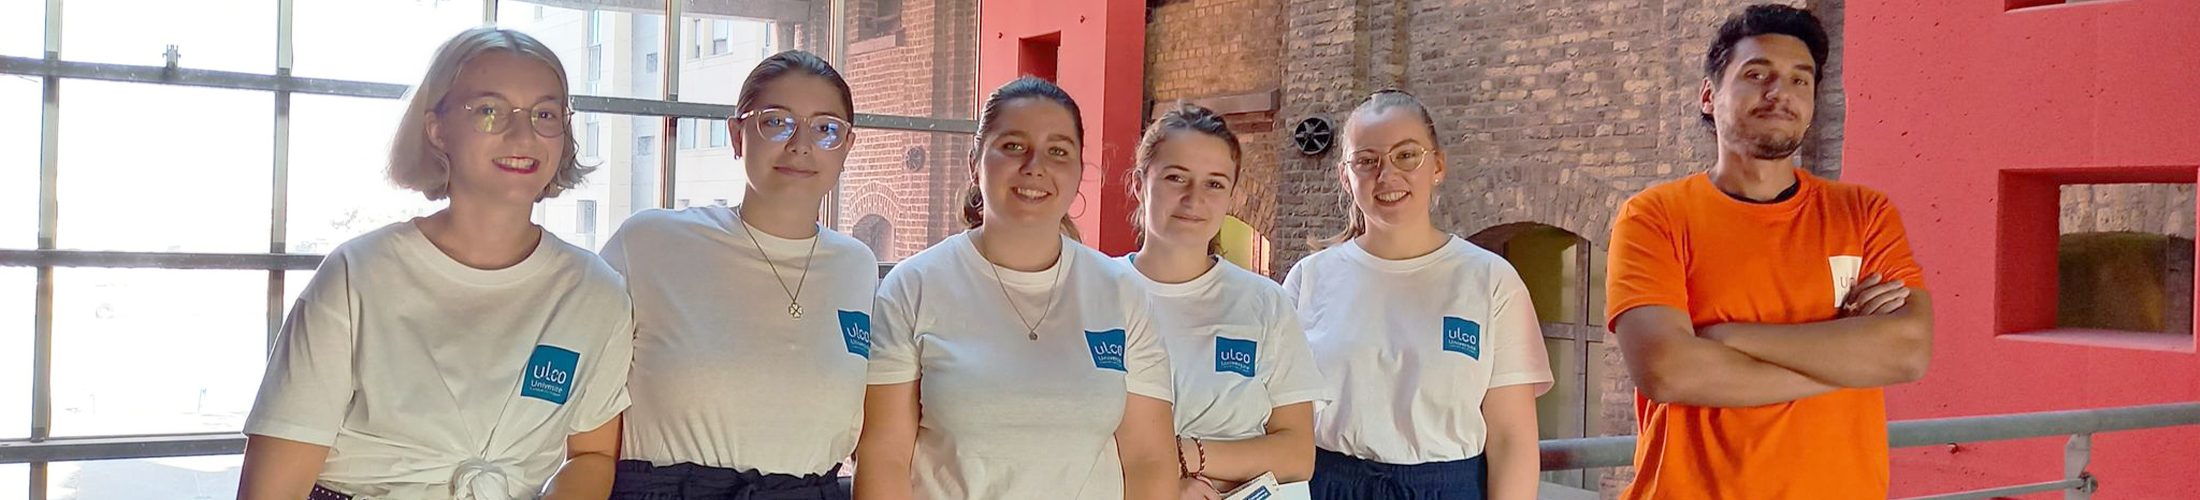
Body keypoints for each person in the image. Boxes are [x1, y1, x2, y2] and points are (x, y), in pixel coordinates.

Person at [238, 27, 632, 500]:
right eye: (489, 110)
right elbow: (272, 489)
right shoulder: (358, 275)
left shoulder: (595, 292)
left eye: (544, 114)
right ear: (436, 129)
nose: (523, 134)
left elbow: (591, 455)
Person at [1606, 4, 1932, 499]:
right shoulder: (1655, 216)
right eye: (1757, 74)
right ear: (1709, 96)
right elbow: (1668, 371)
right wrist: (1850, 361)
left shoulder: (1863, 213)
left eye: (1801, 80)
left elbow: (1908, 352)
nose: (1780, 92)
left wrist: (1727, 336)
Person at [852, 76, 1178, 500]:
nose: (1034, 167)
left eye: (1058, 151)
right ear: (975, 162)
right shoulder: (914, 286)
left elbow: (1148, 460)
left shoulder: (1120, 293)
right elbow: (885, 456)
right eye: (1013, 146)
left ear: (1080, 171)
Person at [599, 50, 871, 500]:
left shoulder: (857, 267)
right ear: (737, 135)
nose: (800, 144)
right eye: (776, 121)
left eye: (826, 129)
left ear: (847, 147)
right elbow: (582, 408)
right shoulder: (650, 242)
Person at [1283, 89, 1552, 500]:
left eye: (1406, 155)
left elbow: (1511, 441)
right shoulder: (1309, 279)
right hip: (1327, 486)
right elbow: (1279, 419)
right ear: (1345, 176)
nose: (1386, 175)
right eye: (1367, 161)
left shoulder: (1490, 281)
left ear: (1437, 165)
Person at [1117, 103, 1323, 500]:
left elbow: (1298, 455)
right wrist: (1162, 487)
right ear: (1140, 184)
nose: (1193, 199)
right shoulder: (1094, 292)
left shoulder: (1265, 303)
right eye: (1176, 178)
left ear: (1231, 195)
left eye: (1214, 184)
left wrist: (1186, 455)